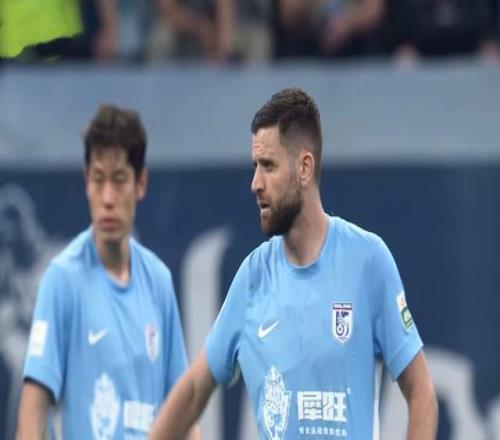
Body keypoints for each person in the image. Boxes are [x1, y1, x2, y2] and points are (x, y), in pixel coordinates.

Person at [150, 87, 438, 439]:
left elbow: (421, 392)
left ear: (304, 167)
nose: (255, 184)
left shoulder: (368, 260)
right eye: (255, 167)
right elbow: (195, 390)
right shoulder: (253, 277)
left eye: (268, 166)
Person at [16, 104, 199, 440]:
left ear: (140, 183)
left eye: (119, 180)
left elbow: (183, 414)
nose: (108, 198)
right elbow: (32, 411)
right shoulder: (62, 280)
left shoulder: (159, 281)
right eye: (98, 180)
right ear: (87, 182)